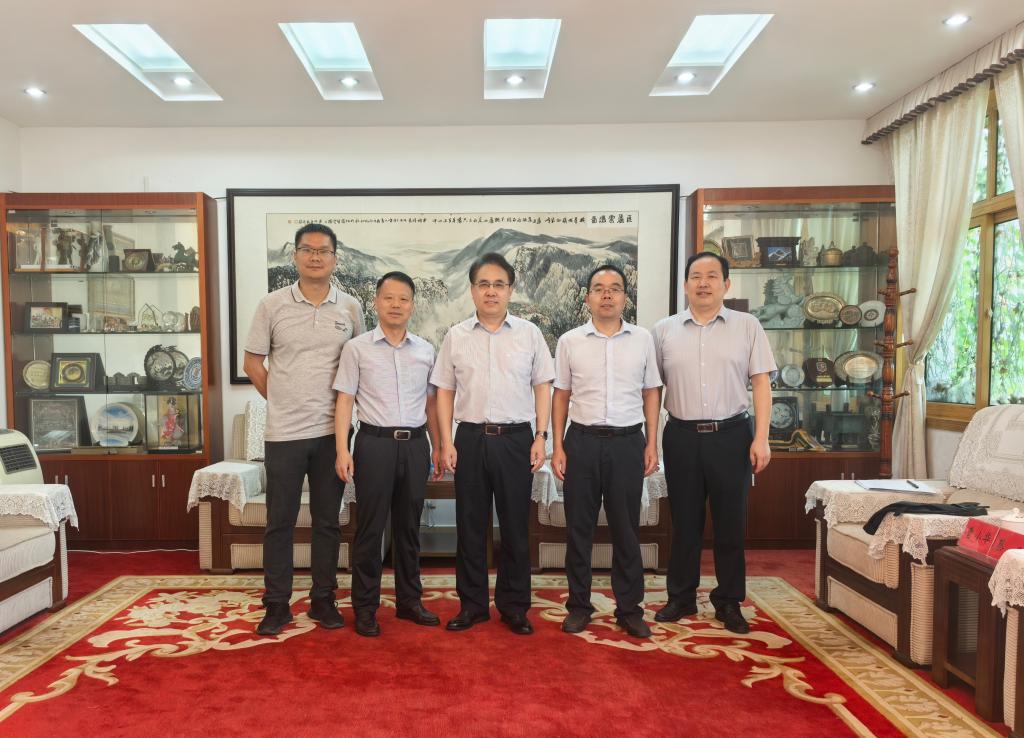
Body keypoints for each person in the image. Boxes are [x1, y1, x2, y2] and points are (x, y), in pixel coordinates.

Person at [244, 223, 365, 636]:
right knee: (280, 521)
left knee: (328, 521)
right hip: (284, 434)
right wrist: (280, 398)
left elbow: (359, 364)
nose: (315, 257)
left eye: (323, 250)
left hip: (333, 434)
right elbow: (252, 363)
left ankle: (323, 600)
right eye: (307, 249)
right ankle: (277, 604)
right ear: (294, 255)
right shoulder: (272, 305)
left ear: (335, 258)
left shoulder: (350, 307)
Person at [431, 252, 554, 635]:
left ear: (510, 290)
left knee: (515, 526)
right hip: (469, 438)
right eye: (483, 284)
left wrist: (541, 436)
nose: (491, 291)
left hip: (517, 439)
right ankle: (472, 606)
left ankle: (514, 606)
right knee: (470, 526)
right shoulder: (456, 336)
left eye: (499, 284)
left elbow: (543, 386)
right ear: (472, 290)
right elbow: (444, 390)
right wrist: (447, 441)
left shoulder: (529, 334)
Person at [651, 252, 775, 634]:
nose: (703, 283)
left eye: (712, 276)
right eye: (695, 276)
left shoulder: (747, 326)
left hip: (732, 436)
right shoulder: (664, 331)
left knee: (730, 524)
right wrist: (650, 441)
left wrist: (762, 438)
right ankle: (681, 597)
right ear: (685, 285)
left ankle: (729, 601)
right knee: (684, 522)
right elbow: (653, 390)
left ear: (726, 284)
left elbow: (761, 383)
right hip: (681, 436)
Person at [551, 264, 663, 639]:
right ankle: (579, 607)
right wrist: (557, 446)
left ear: (625, 298)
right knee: (578, 530)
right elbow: (561, 395)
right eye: (599, 288)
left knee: (626, 531)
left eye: (615, 288)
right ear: (587, 297)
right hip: (581, 442)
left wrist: (652, 441)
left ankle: (629, 610)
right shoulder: (570, 341)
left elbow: (651, 392)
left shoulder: (642, 339)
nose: (607, 294)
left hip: (628, 443)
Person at [333, 271, 443, 637]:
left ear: (412, 305)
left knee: (410, 528)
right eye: (389, 298)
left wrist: (439, 446)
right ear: (376, 302)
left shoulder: (425, 350)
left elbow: (431, 404)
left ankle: (410, 602)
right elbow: (344, 401)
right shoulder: (357, 348)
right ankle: (365, 607)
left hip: (415, 445)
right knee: (371, 528)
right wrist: (342, 449)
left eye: (403, 299)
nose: (396, 305)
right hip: (374, 444)